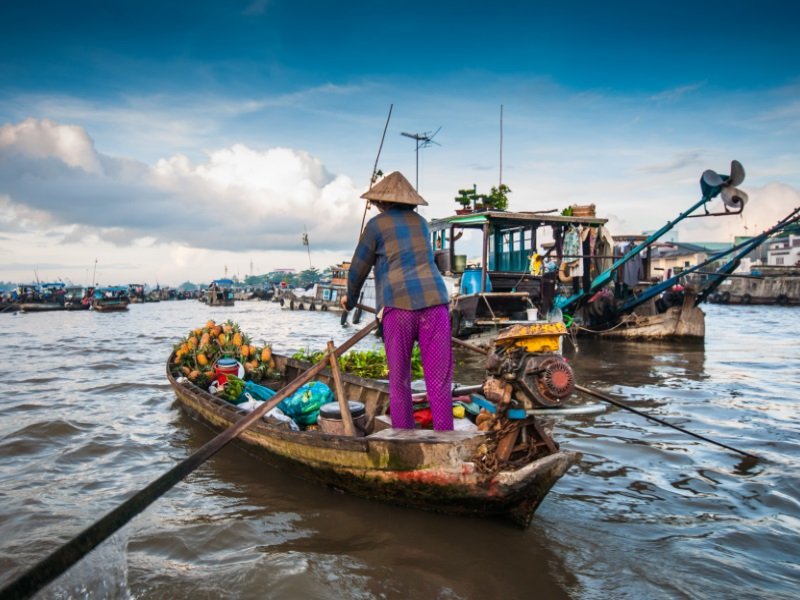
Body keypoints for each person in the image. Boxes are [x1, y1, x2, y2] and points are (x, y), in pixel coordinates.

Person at [341, 171, 454, 431]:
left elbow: (358, 268)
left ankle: (404, 437)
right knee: (438, 382)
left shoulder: (376, 226)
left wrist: (350, 300)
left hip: (399, 307)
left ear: (382, 202)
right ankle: (446, 439)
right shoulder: (423, 224)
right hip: (435, 304)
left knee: (399, 381)